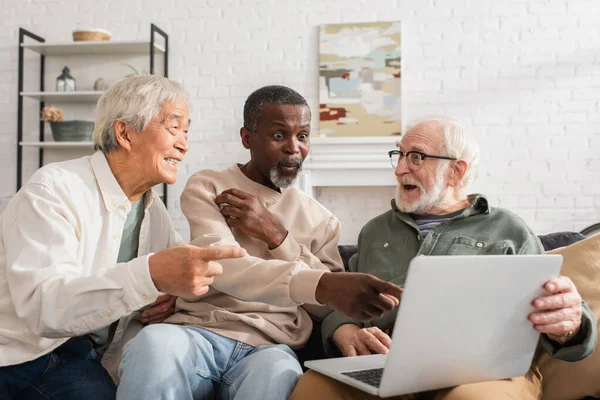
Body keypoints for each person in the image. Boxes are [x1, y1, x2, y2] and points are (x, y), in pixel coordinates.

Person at [117, 85, 404, 400]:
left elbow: (324, 307)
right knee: (153, 344)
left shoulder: (323, 221)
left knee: (279, 373)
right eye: (279, 135)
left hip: (270, 348)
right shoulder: (209, 186)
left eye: (303, 136)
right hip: (196, 334)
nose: (293, 148)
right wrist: (320, 282)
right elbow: (224, 266)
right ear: (247, 138)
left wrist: (275, 235)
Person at [289, 116, 598, 400]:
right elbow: (344, 304)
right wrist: (345, 331)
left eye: (417, 157)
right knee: (314, 386)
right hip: (390, 368)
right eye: (399, 155)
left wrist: (569, 324)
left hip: (484, 373)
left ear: (456, 171)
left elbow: (571, 325)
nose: (399, 169)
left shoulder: (508, 229)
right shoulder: (375, 231)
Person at [0, 75, 245, 400]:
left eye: (187, 132)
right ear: (125, 133)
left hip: (88, 355)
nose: (184, 144)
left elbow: (171, 277)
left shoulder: (152, 212)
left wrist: (173, 292)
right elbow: (44, 309)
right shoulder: (53, 190)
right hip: (25, 358)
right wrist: (151, 275)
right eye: (174, 128)